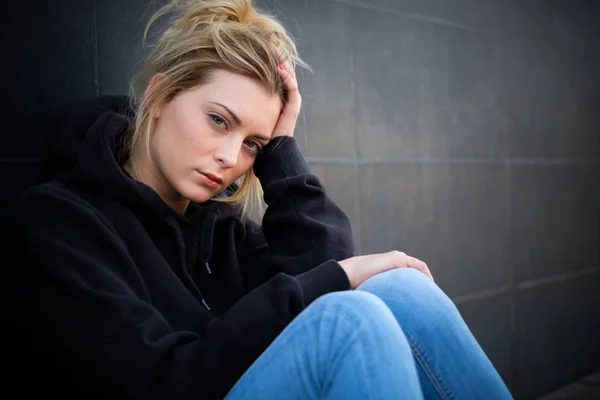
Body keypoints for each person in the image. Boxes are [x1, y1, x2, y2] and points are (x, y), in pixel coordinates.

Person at [3, 0, 513, 399]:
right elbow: (161, 384)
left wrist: (281, 151)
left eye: (252, 143)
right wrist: (339, 277)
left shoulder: (220, 230)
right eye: (219, 120)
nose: (230, 157)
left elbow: (324, 276)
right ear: (158, 96)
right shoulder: (59, 221)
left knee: (401, 289)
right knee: (349, 319)